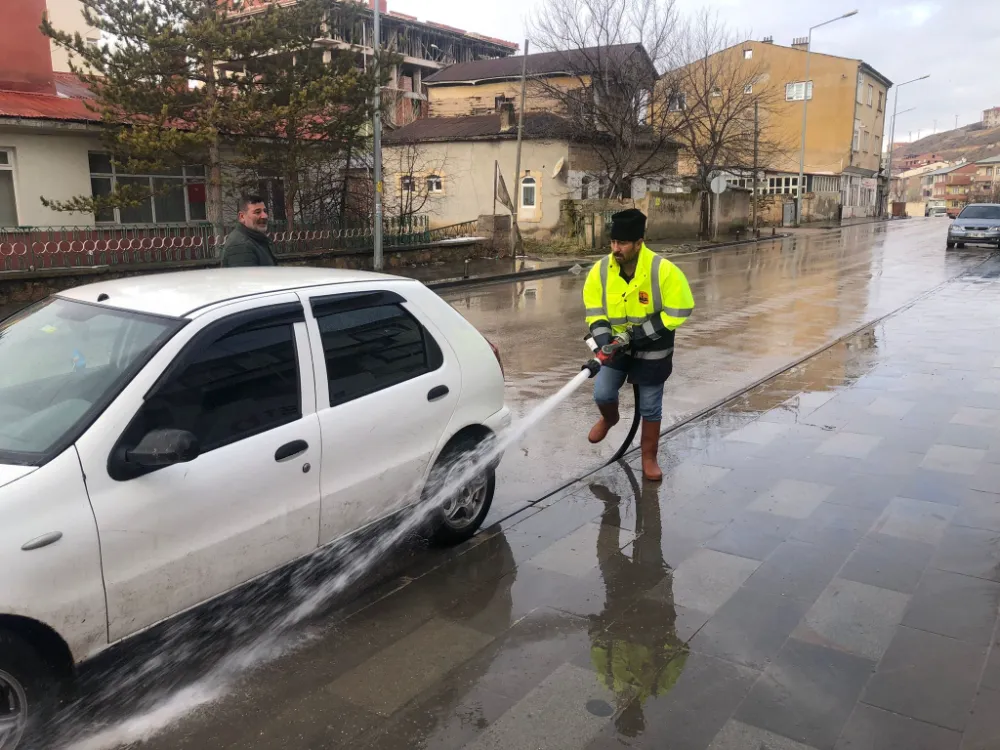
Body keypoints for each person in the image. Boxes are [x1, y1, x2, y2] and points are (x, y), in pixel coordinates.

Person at [583, 208, 694, 481]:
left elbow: (680, 310)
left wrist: (637, 334)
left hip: (653, 346)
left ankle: (648, 458)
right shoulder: (600, 271)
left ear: (638, 243)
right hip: (615, 346)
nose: (615, 249)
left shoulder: (662, 270)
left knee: (650, 406)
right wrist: (604, 342)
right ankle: (609, 419)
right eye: (613, 242)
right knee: (603, 393)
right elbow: (594, 311)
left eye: (622, 244)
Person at [220, 194, 278, 267]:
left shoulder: (256, 239)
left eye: (265, 211)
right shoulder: (241, 246)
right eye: (257, 212)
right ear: (242, 217)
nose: (265, 216)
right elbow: (247, 278)